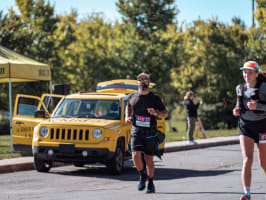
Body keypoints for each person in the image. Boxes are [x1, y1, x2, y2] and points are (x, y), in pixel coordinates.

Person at [126, 72, 168, 193]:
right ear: (137, 82)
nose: (143, 81)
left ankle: (150, 182)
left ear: (148, 82)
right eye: (140, 79)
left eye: (145, 79)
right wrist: (127, 117)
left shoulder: (154, 98)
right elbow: (128, 107)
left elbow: (165, 113)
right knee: (135, 155)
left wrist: (156, 114)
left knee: (149, 158)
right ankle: (142, 174)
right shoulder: (132, 96)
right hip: (136, 130)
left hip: (150, 131)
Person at [233, 61, 266, 200]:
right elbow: (238, 105)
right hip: (245, 126)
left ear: (257, 74)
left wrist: (257, 105)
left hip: (263, 128)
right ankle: (247, 193)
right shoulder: (239, 88)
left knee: (263, 162)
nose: (246, 75)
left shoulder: (264, 87)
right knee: (247, 159)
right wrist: (236, 110)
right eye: (245, 72)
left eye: (250, 72)